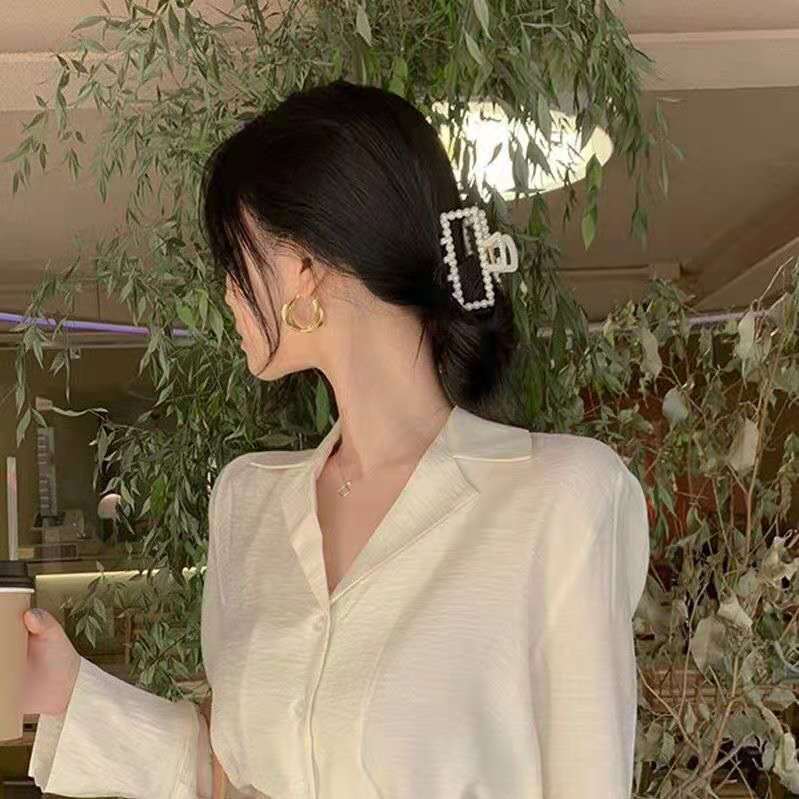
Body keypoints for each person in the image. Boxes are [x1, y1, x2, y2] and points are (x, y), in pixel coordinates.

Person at [24, 79, 650, 799]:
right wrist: (68, 690)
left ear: (303, 267)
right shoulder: (248, 500)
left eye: (235, 259)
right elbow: (233, 778)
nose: (227, 293)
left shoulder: (561, 498)